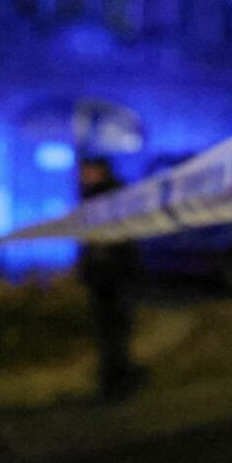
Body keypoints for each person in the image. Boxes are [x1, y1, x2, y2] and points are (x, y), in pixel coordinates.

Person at [76, 158, 146, 400]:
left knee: (116, 331)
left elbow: (122, 243)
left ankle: (117, 382)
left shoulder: (112, 198)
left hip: (116, 276)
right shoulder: (91, 196)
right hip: (103, 277)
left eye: (87, 171)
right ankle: (112, 380)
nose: (83, 175)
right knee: (108, 331)